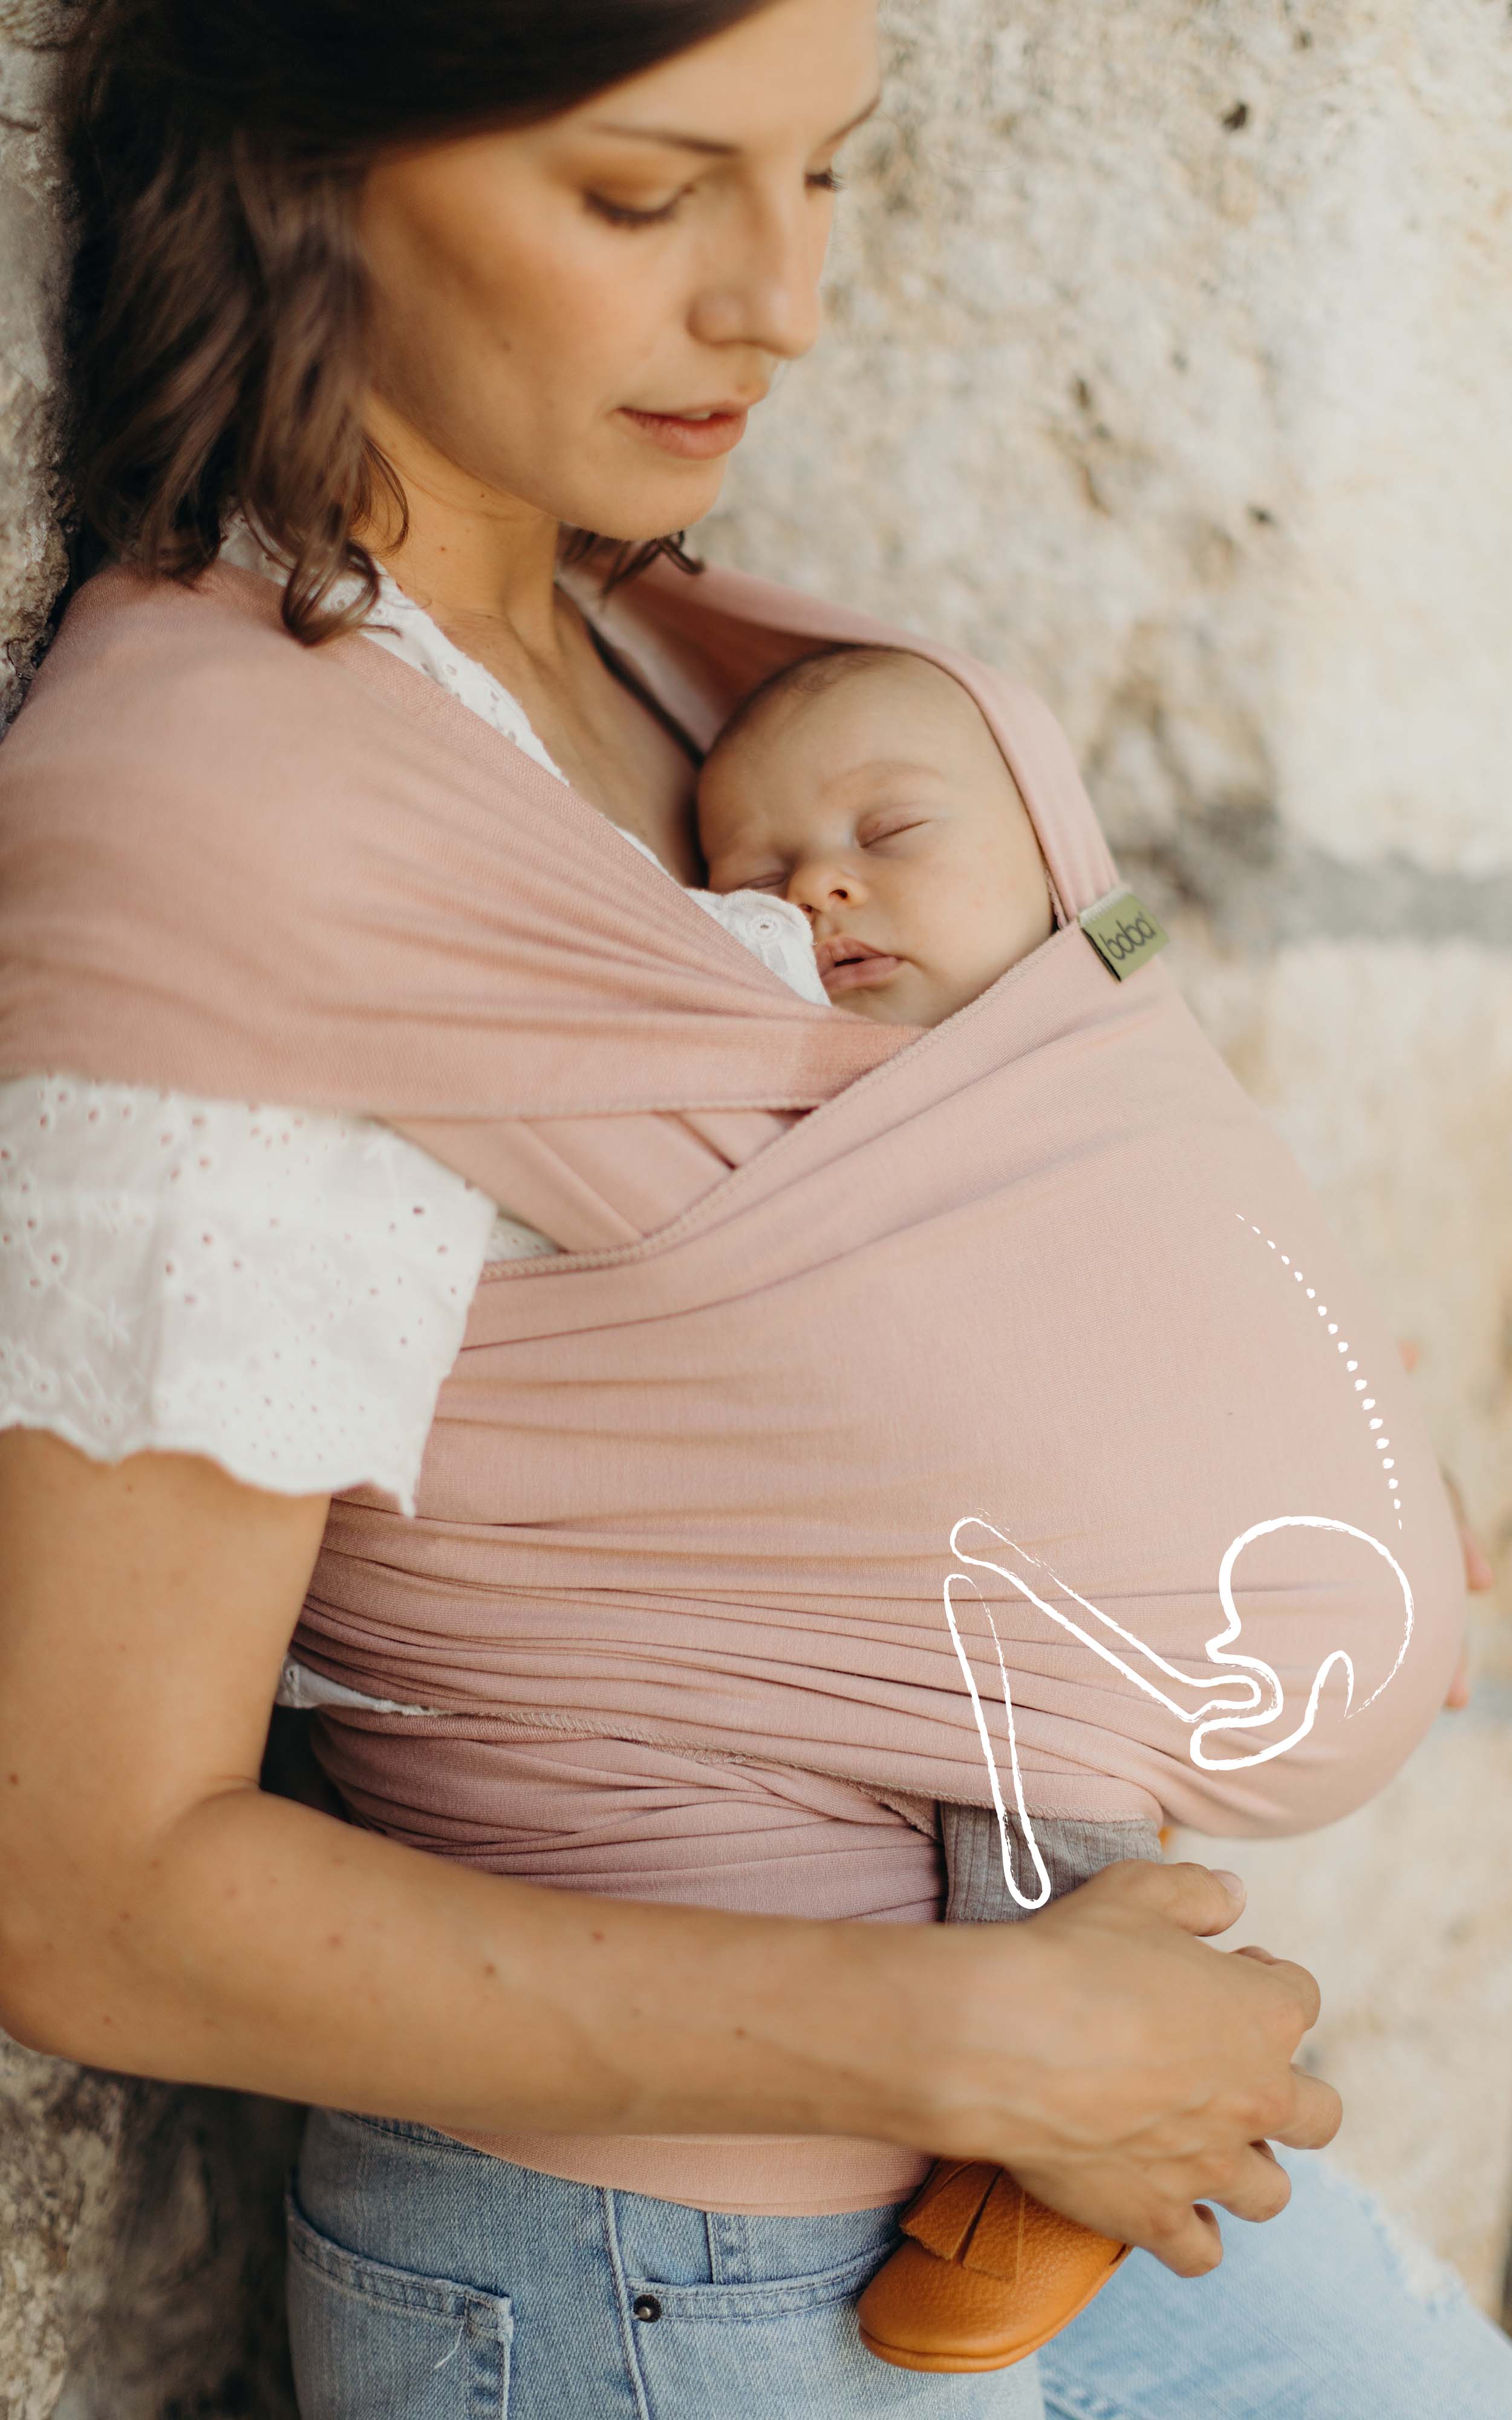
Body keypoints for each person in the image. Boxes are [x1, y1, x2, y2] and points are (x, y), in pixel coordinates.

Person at [0, 5, 1506, 2419]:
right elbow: (91, 1888)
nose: (782, 299)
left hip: (1055, 2149)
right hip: (649, 2259)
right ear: (312, 158)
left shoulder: (699, 687)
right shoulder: (238, 824)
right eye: (641, 193)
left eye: (826, 174)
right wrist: (984, 2026)